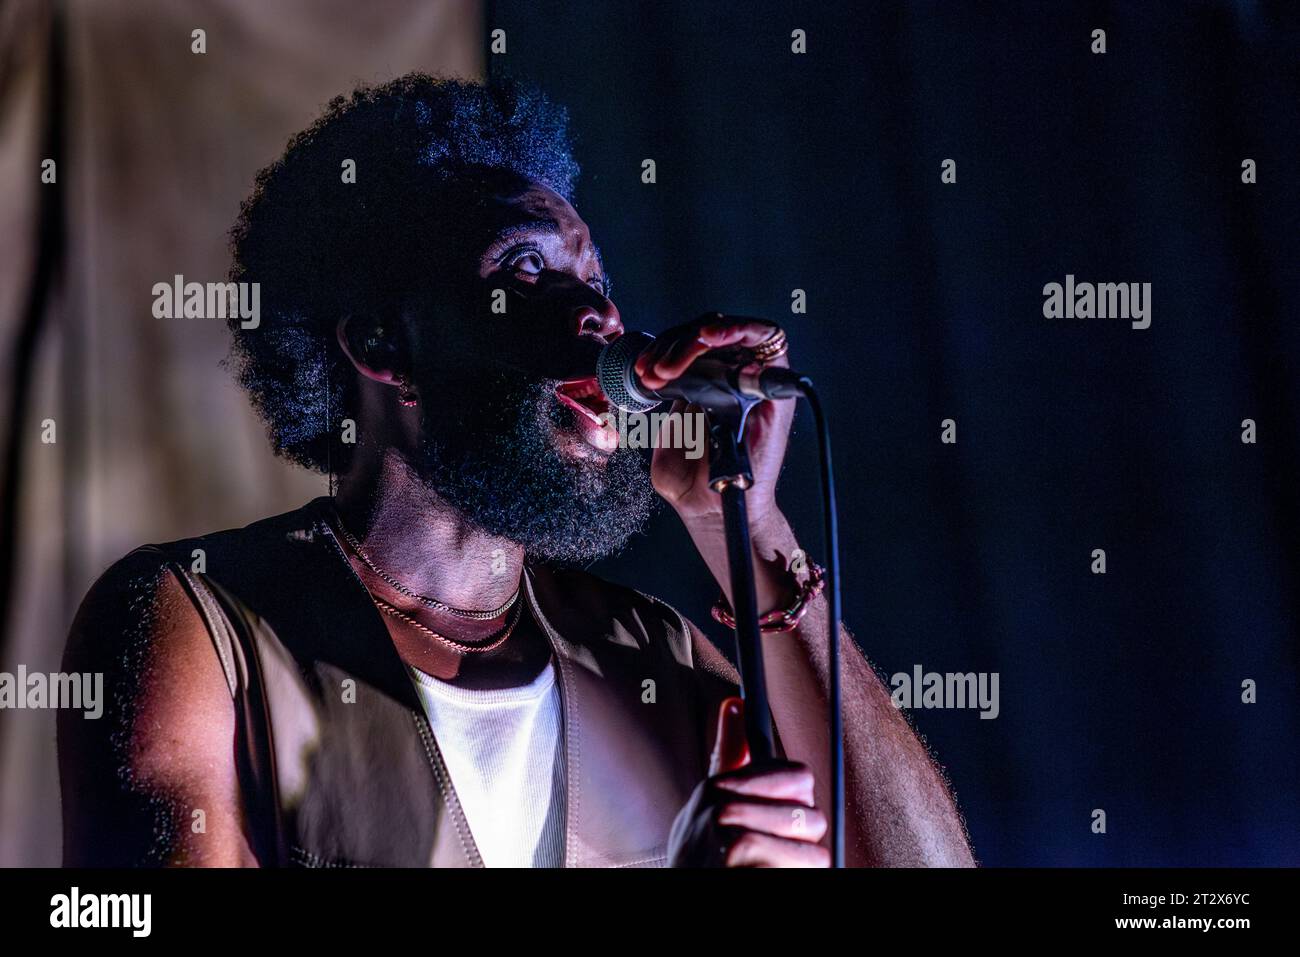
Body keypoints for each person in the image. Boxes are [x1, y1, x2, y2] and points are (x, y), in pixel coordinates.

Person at [58, 75, 974, 868]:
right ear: (384, 344)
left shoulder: (646, 653)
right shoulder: (198, 623)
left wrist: (747, 522)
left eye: (598, 281)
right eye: (526, 267)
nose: (599, 316)